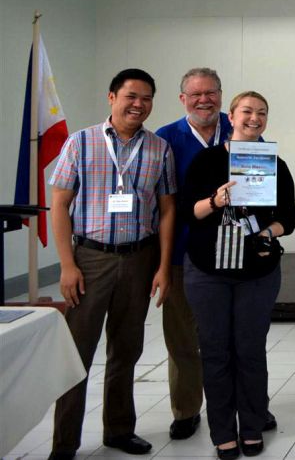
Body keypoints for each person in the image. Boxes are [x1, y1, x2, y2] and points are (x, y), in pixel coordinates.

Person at [48, 68, 176, 460]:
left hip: (140, 257)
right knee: (78, 353)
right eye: (131, 96)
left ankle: (119, 429)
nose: (139, 104)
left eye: (147, 98)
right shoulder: (80, 143)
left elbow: (168, 210)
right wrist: (67, 265)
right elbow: (59, 204)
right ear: (112, 97)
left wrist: (163, 267)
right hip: (90, 259)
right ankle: (65, 443)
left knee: (127, 349)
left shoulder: (159, 148)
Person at [182, 91, 295, 459]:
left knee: (249, 351)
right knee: (215, 351)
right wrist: (216, 201)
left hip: (256, 273)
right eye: (247, 111)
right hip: (208, 271)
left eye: (262, 113)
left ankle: (251, 426)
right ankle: (222, 433)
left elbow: (288, 221)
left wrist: (267, 232)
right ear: (230, 116)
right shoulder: (206, 160)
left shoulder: (275, 164)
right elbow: (190, 212)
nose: (254, 118)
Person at [155, 67, 232, 440]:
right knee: (182, 335)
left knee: (232, 335)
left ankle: (241, 403)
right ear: (183, 98)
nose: (205, 100)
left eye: (211, 92)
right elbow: (161, 203)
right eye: (196, 94)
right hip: (183, 253)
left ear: (221, 94)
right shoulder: (165, 139)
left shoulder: (240, 126)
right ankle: (186, 410)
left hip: (233, 250)